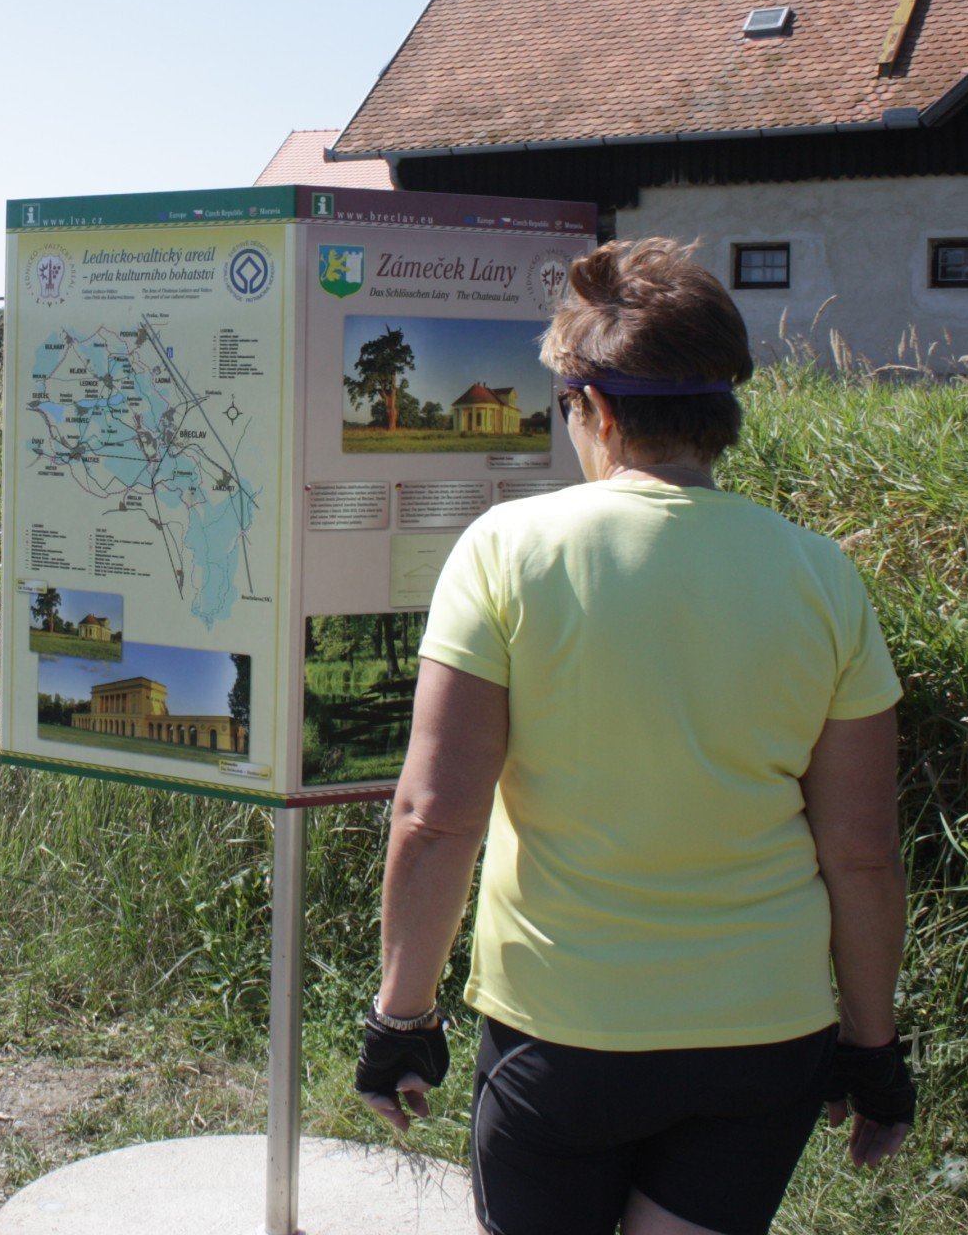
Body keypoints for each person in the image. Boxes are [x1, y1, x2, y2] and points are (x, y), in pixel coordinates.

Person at [354, 239, 915, 1235]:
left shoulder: (507, 549)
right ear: (719, 415)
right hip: (765, 1035)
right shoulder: (822, 575)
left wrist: (403, 1016)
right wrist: (873, 1045)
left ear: (595, 408)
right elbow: (862, 852)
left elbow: (436, 817)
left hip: (566, 1032)